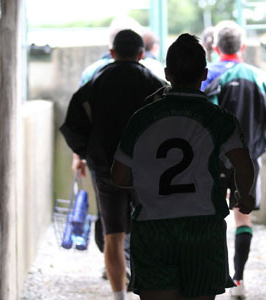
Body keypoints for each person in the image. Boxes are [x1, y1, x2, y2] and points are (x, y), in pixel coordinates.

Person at [111, 33, 256, 300]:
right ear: (204, 73)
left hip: (153, 229)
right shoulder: (220, 119)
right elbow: (244, 166)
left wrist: (150, 180)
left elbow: (119, 176)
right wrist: (244, 196)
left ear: (167, 73)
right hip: (203, 228)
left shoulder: (141, 118)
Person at [60, 29, 166, 300]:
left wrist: (88, 153)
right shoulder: (154, 85)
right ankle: (149, 291)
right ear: (142, 54)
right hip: (146, 171)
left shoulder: (95, 84)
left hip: (106, 169)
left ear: (111, 54)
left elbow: (72, 126)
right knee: (150, 233)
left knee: (113, 236)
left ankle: (119, 296)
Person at [202, 20, 266, 299]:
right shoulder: (258, 77)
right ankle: (238, 282)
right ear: (243, 46)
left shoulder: (204, 77)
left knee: (210, 219)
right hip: (247, 161)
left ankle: (211, 279)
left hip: (210, 163)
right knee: (243, 219)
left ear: (215, 47)